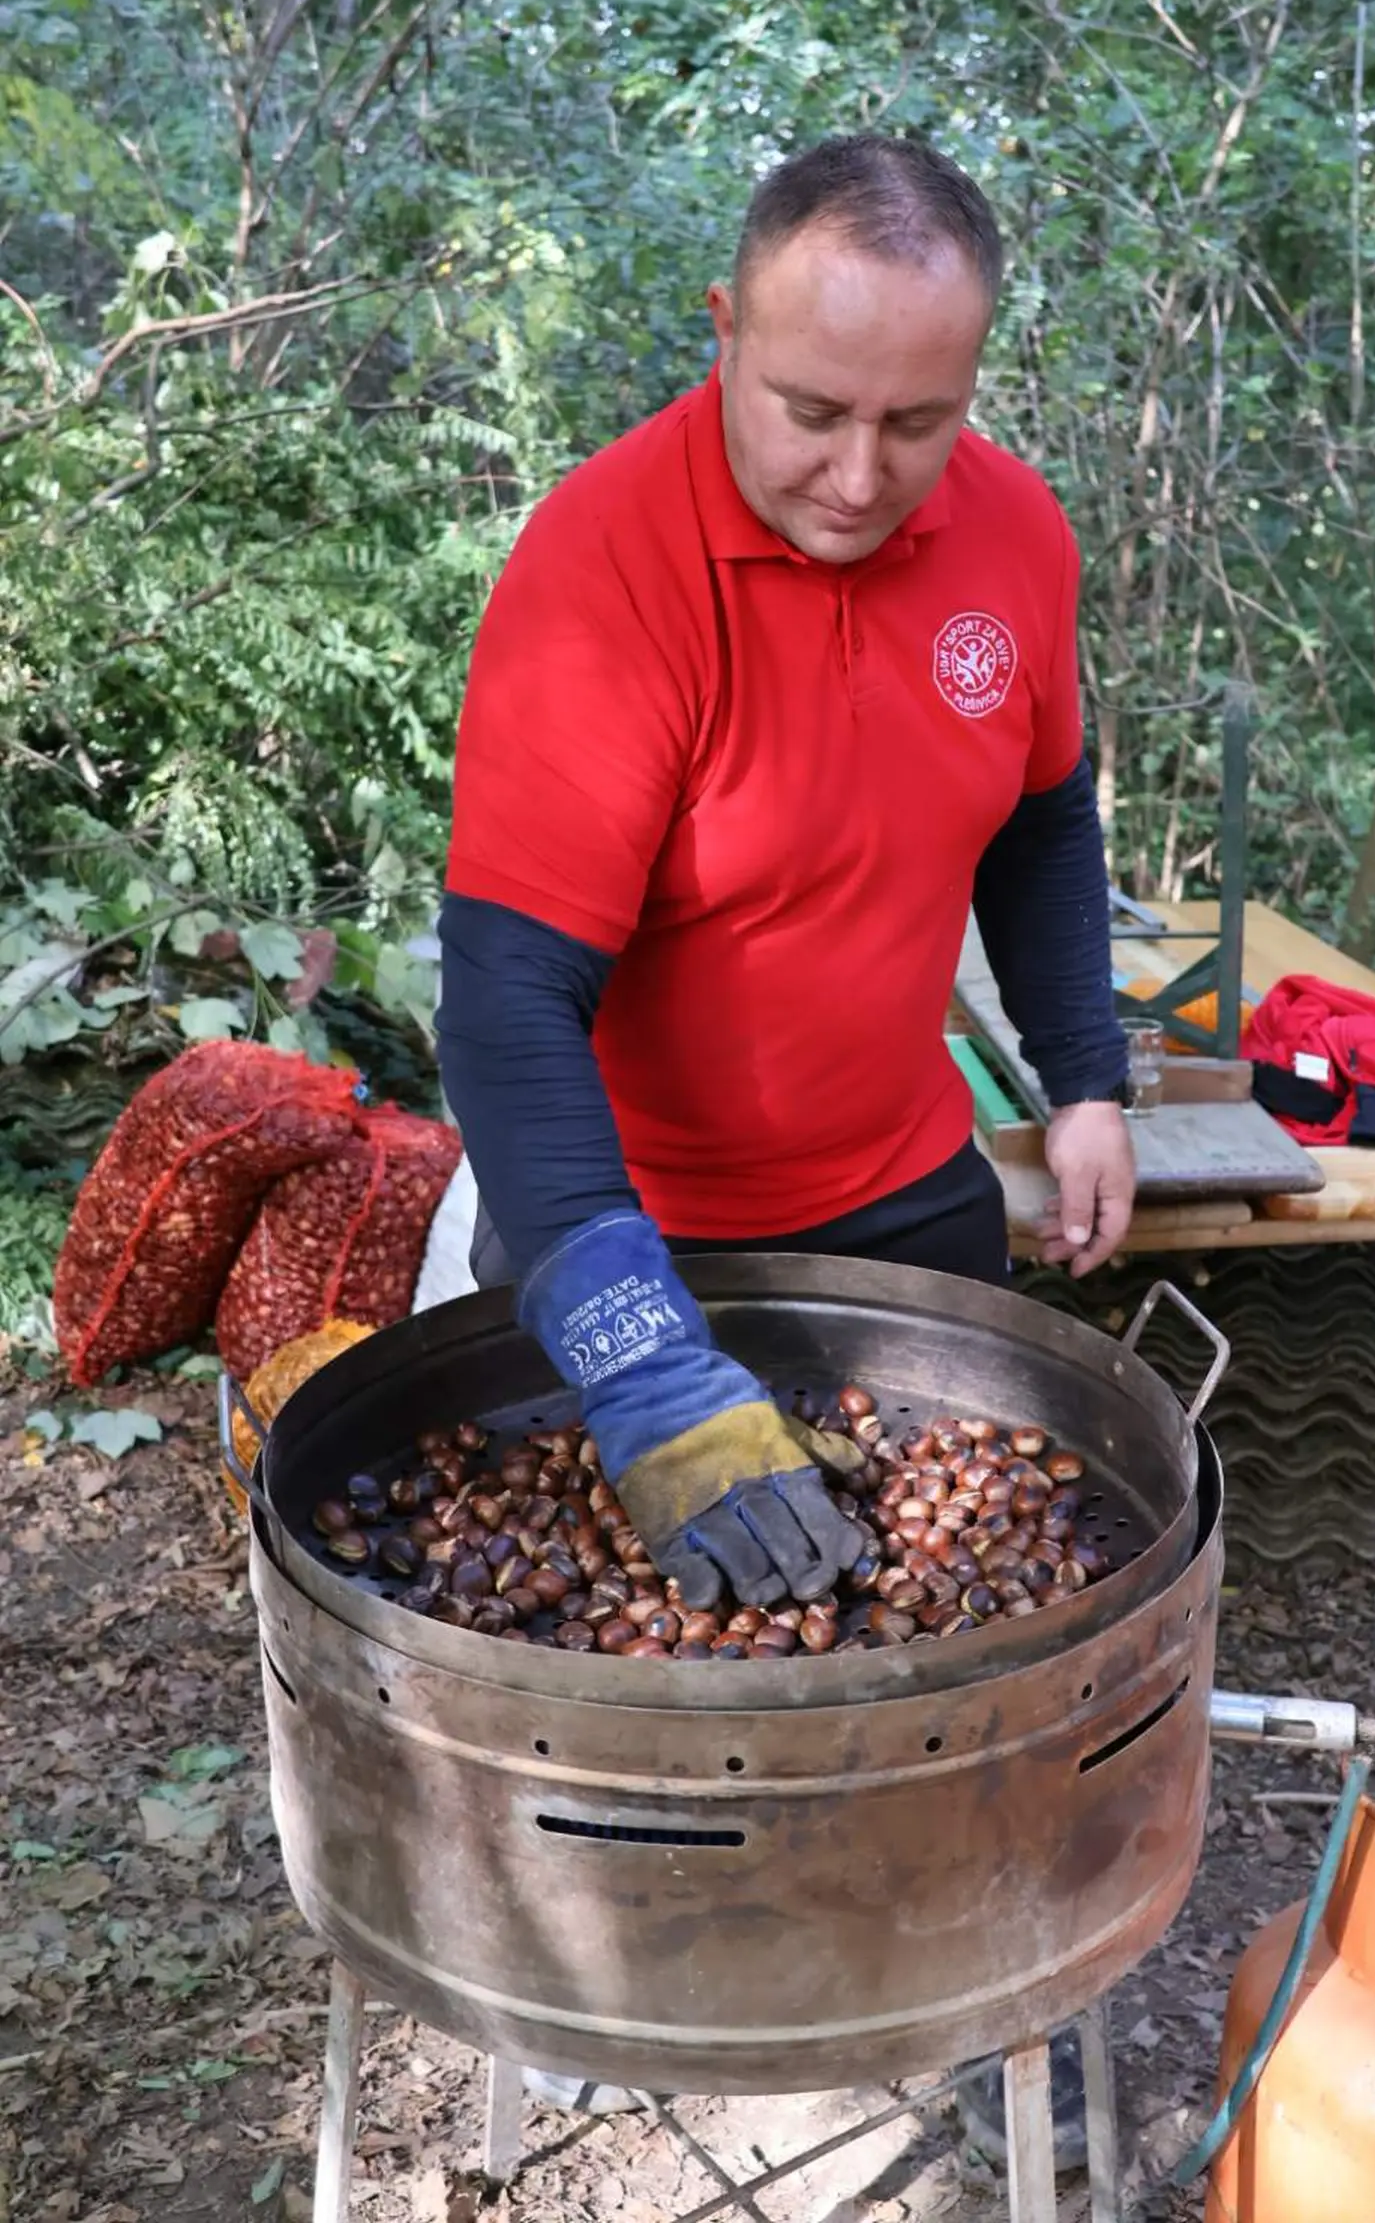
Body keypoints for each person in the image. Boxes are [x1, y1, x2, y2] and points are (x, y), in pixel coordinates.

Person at [437, 131, 1133, 2160]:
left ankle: (936, 1949)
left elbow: (1039, 817)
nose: (856, 473)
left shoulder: (1014, 535)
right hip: (625, 1222)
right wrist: (637, 1353)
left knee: (929, 1642)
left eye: (916, 422)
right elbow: (506, 1002)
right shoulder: (602, 569)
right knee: (613, 1668)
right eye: (812, 408)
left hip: (904, 1193)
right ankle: (605, 1978)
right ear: (722, 328)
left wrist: (1083, 1072)